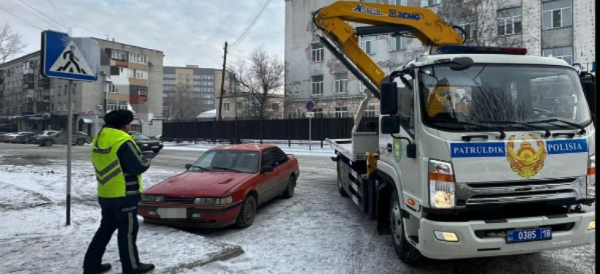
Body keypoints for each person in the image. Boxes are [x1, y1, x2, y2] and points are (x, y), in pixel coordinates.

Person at [82, 109, 155, 274]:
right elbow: (137, 167)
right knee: (128, 233)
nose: (130, 127)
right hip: (125, 194)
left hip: (106, 192)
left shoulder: (100, 138)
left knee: (104, 230)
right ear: (124, 125)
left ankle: (91, 266)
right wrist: (147, 159)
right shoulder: (123, 140)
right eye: (129, 124)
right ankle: (131, 267)